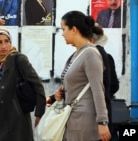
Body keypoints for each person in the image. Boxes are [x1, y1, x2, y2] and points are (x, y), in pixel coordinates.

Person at [46, 11, 111, 141]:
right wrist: (59, 94)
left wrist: (102, 122)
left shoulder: (90, 54)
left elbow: (98, 89)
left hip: (83, 122)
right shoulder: (77, 54)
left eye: (64, 29)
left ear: (74, 29)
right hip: (73, 118)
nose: (62, 33)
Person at [0, 28, 46, 141]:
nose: (4, 46)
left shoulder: (18, 59)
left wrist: (39, 112)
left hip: (16, 117)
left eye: (7, 41)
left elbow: (37, 84)